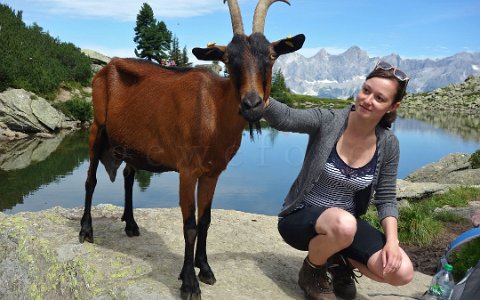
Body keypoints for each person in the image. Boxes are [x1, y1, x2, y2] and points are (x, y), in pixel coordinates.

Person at [263, 61, 415, 300]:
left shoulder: (388, 144)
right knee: (344, 224)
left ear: (392, 106)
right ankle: (312, 271)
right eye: (366, 90)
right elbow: (287, 118)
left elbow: (386, 198)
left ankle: (337, 258)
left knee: (402, 273)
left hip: (345, 226)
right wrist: (256, 96)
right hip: (301, 219)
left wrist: (392, 243)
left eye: (379, 98)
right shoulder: (329, 120)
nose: (367, 100)